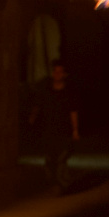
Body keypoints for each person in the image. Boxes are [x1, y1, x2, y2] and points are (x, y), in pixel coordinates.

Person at [29, 59, 80, 193]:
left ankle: (63, 184)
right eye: (55, 71)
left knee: (61, 159)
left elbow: (73, 111)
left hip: (63, 130)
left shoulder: (68, 92)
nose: (57, 74)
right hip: (48, 130)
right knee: (50, 158)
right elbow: (37, 106)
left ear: (64, 74)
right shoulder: (46, 90)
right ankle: (52, 183)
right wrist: (32, 119)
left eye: (60, 72)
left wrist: (75, 130)